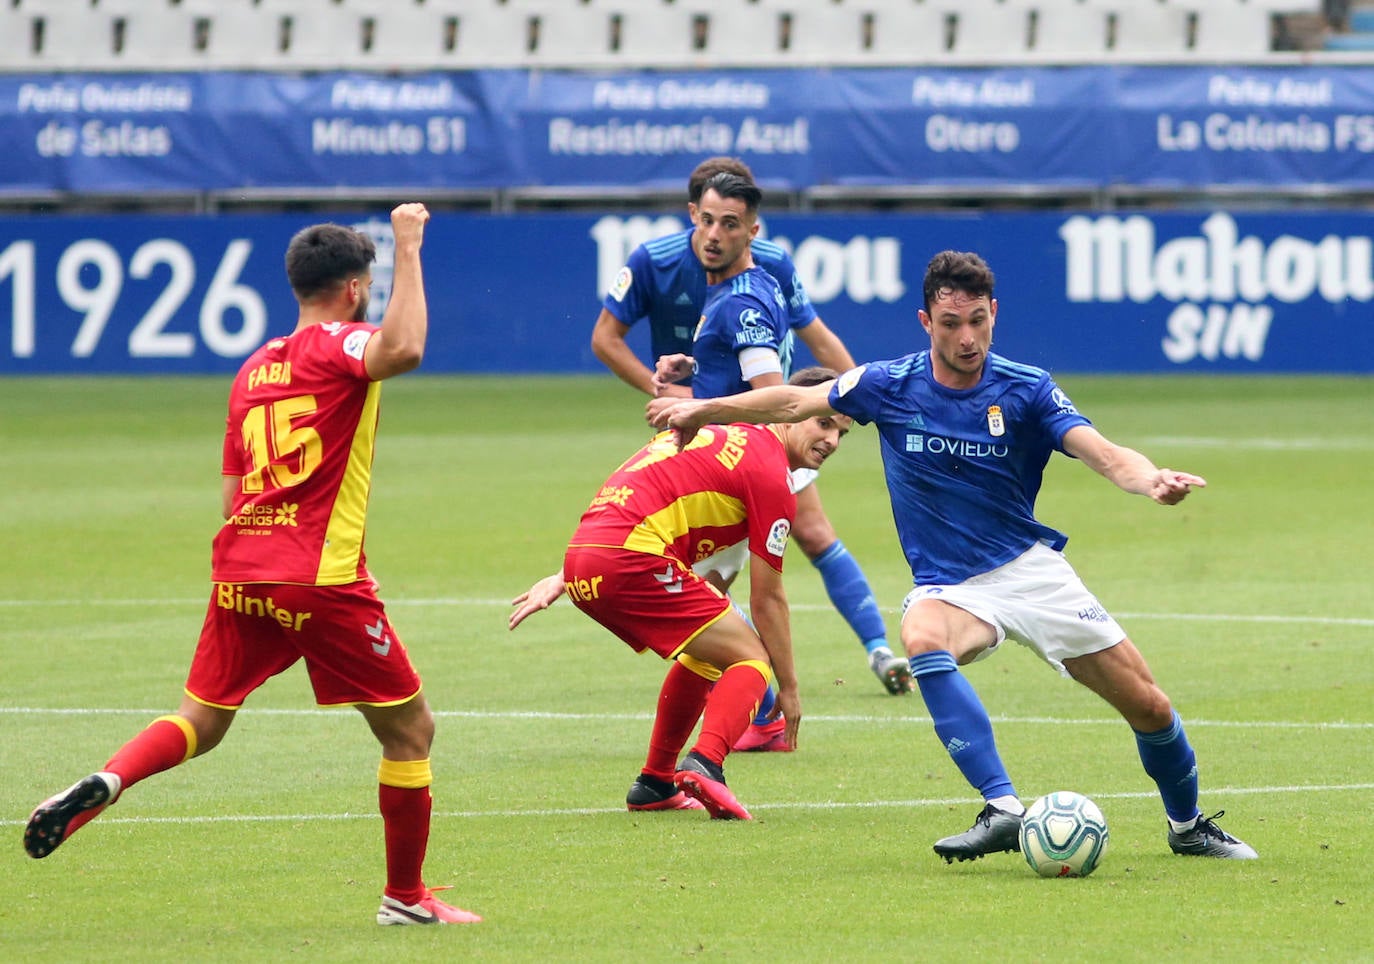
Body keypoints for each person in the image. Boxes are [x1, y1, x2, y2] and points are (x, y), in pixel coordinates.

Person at [648, 249, 1258, 862]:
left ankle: (1188, 826)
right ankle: (1002, 807)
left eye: (977, 322)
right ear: (925, 322)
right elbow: (789, 403)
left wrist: (1149, 479)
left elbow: (1101, 451)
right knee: (921, 636)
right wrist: (704, 407)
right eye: (950, 324)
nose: (966, 338)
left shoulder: (1027, 389)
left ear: (994, 314)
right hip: (951, 586)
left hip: (1030, 571)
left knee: (1149, 705)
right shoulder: (887, 384)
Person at [22, 205, 485, 925]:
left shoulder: (255, 369)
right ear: (356, 289)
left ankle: (112, 779)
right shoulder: (340, 344)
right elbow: (406, 349)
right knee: (409, 732)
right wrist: (409, 246)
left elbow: (236, 491)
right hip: (316, 577)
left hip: (243, 568)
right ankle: (406, 898)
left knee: (200, 721)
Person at [592, 156, 910, 697]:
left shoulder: (763, 271)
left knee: (781, 548)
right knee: (716, 577)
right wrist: (671, 387)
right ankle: (762, 693)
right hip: (717, 437)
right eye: (708, 219)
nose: (716, 232)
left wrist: (855, 394)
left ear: (749, 226)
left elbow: (807, 344)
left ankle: (861, 657)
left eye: (731, 222)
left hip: (759, 436)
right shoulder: (655, 261)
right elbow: (606, 338)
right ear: (693, 211)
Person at [509, 368, 853, 819]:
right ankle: (706, 764)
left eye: (842, 432)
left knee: (710, 649)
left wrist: (565, 572)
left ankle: (655, 783)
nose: (832, 440)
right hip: (630, 556)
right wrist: (788, 689)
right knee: (751, 658)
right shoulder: (770, 474)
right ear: (790, 412)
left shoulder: (717, 435)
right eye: (823, 422)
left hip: (590, 555)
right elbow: (767, 600)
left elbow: (646, 492)